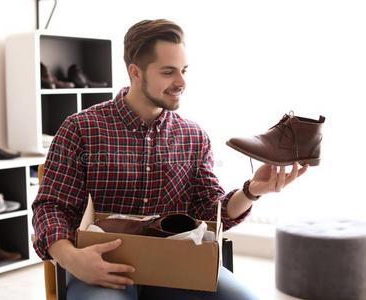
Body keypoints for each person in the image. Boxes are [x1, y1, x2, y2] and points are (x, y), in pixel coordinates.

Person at [32, 19, 308, 300]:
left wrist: (251, 191)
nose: (181, 82)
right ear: (135, 72)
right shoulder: (80, 129)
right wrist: (72, 259)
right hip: (103, 270)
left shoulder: (193, 136)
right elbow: (50, 207)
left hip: (178, 267)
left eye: (184, 70)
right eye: (168, 72)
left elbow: (209, 210)